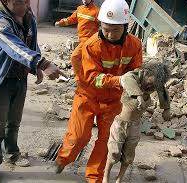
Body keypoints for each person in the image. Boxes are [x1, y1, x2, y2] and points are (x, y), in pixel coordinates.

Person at [54, 0, 143, 182]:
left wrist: (139, 86)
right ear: (100, 24)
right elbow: (92, 77)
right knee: (79, 136)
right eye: (105, 28)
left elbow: (136, 71)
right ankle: (63, 159)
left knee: (105, 143)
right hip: (88, 96)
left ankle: (94, 177)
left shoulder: (134, 45)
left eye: (115, 30)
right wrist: (119, 80)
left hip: (113, 101)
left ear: (125, 27)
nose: (109, 34)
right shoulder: (92, 45)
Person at [0, 0, 63, 183]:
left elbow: (31, 43)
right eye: (20, 2)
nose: (26, 6)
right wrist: (41, 63)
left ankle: (12, 153)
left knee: (14, 121)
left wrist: (36, 69)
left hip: (19, 77)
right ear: (6, 1)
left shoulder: (28, 15)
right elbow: (14, 47)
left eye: (27, 1)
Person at [102, 62, 170, 183]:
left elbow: (162, 90)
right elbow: (126, 78)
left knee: (128, 155)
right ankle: (105, 176)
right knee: (114, 152)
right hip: (120, 123)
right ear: (145, 73)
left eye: (154, 86)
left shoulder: (155, 84)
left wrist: (166, 108)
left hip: (135, 125)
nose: (151, 87)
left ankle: (119, 179)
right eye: (150, 83)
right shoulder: (132, 77)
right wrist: (139, 97)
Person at [55, 0, 99, 80]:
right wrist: (60, 23)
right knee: (85, 59)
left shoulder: (96, 11)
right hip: (81, 40)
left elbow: (102, 27)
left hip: (88, 42)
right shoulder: (80, 9)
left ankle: (79, 78)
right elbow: (71, 19)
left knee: (74, 57)